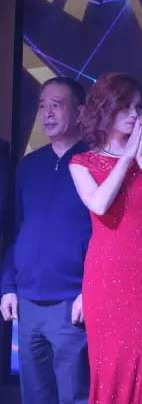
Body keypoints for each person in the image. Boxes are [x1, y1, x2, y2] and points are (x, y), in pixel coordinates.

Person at [69, 73, 142, 404]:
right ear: (105, 109)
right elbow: (100, 204)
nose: (134, 115)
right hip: (106, 276)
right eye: (125, 107)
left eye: (138, 107)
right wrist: (126, 158)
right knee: (110, 363)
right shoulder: (82, 162)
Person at [0, 77, 91, 404]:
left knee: (74, 395)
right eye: (42, 106)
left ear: (80, 112)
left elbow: (106, 239)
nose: (47, 113)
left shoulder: (94, 163)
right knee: (35, 397)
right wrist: (8, 286)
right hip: (27, 303)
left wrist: (90, 290)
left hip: (72, 303)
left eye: (57, 105)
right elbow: (14, 230)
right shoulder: (28, 165)